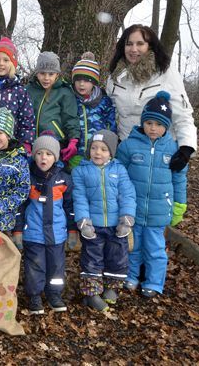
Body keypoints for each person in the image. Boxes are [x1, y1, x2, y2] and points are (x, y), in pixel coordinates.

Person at [116, 91, 188, 298]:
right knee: (133, 246)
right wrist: (119, 200)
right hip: (134, 209)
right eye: (149, 123)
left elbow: (179, 179)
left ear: (167, 126)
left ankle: (155, 282)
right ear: (142, 123)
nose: (153, 128)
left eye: (158, 124)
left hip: (158, 211)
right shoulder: (129, 145)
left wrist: (179, 205)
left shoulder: (173, 149)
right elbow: (119, 175)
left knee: (155, 250)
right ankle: (131, 277)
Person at [107, 24, 197, 171]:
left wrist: (186, 149)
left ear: (150, 46)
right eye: (129, 44)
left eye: (140, 43)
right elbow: (109, 113)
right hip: (126, 149)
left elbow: (183, 114)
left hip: (158, 150)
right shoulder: (115, 77)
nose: (133, 49)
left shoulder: (165, 72)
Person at [72, 130, 136, 312]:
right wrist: (84, 221)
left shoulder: (119, 169)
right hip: (94, 225)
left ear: (111, 153)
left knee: (117, 256)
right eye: (94, 148)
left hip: (117, 225)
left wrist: (127, 218)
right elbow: (80, 197)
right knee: (92, 258)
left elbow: (127, 195)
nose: (97, 153)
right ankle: (92, 293)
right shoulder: (81, 171)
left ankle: (111, 288)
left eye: (103, 149)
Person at [13, 132, 76, 315]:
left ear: (55, 157)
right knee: (35, 266)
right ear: (34, 155)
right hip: (33, 233)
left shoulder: (63, 179)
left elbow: (70, 206)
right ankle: (34, 296)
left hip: (56, 233)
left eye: (48, 154)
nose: (43, 158)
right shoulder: (28, 178)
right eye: (40, 153)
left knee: (56, 265)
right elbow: (21, 206)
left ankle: (54, 294)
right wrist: (18, 231)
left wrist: (72, 230)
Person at [26, 51, 79, 166]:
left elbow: (70, 117)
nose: (46, 78)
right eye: (42, 73)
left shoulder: (64, 92)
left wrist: (73, 140)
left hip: (55, 143)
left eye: (51, 74)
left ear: (57, 75)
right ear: (36, 73)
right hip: (31, 142)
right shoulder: (29, 90)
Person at [69, 52, 116, 169]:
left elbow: (111, 127)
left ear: (94, 82)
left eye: (87, 80)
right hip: (76, 154)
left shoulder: (104, 101)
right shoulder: (70, 99)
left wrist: (110, 149)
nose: (81, 84)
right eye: (78, 80)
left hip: (99, 155)